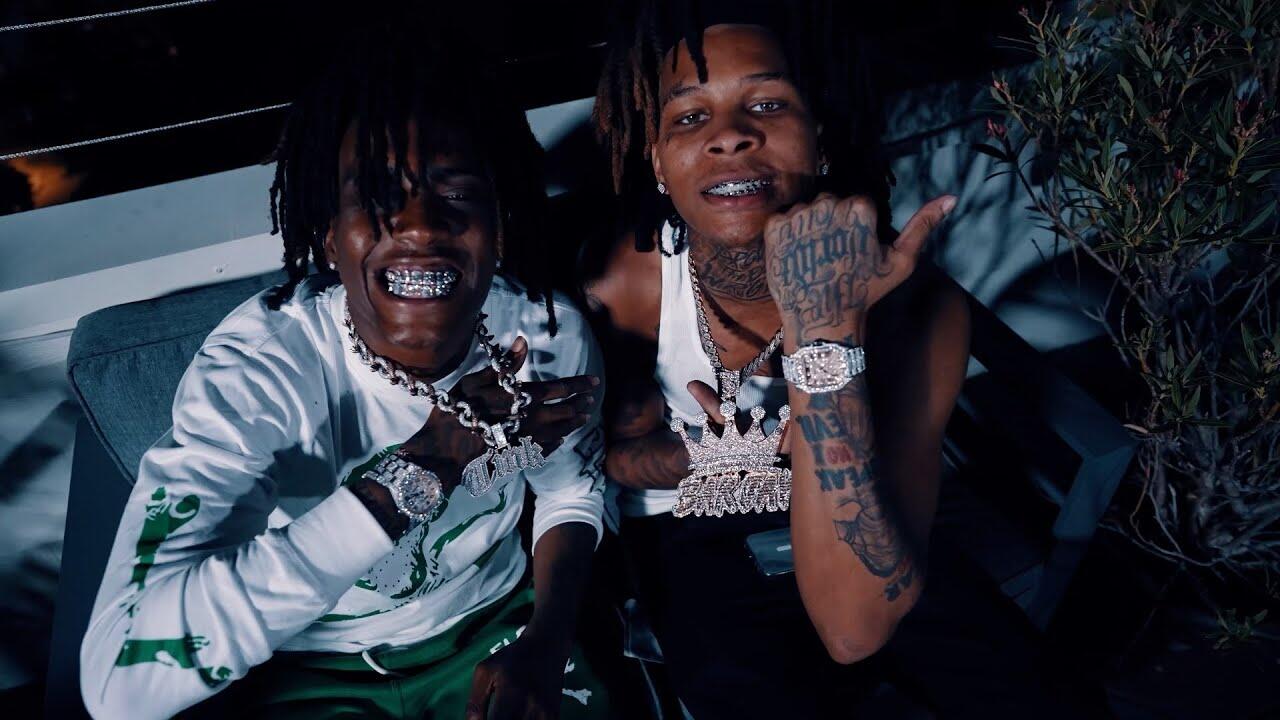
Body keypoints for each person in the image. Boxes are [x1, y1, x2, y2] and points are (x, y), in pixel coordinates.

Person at [80, 22, 610, 720]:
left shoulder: (542, 334)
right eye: (379, 197)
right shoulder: (255, 375)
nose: (420, 226)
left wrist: (547, 639)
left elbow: (571, 494)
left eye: (456, 194)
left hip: (495, 626)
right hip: (314, 666)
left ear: (498, 226)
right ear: (331, 238)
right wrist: (425, 466)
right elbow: (119, 686)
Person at [586, 1, 1098, 717]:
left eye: (768, 104)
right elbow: (608, 457)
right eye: (691, 116)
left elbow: (856, 627)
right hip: (696, 526)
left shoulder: (915, 306)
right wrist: (701, 458)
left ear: (820, 139)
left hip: (868, 503)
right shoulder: (629, 286)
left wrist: (822, 334)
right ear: (659, 166)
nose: (730, 134)